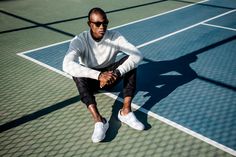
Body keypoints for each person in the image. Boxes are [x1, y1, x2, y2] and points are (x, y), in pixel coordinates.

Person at [63, 7, 144, 143]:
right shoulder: (80, 40)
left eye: (105, 23)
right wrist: (99, 76)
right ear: (89, 24)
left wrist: (117, 73)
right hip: (91, 79)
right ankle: (99, 120)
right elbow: (66, 64)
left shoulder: (115, 36)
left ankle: (125, 111)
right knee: (76, 72)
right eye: (98, 24)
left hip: (112, 76)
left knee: (131, 63)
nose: (102, 27)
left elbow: (138, 55)